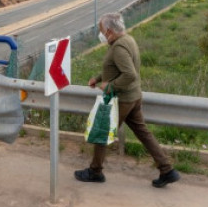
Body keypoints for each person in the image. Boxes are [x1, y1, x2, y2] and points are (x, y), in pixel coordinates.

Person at [74, 12, 181, 188]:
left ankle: (95, 172)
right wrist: (98, 78)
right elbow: (116, 68)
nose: (101, 34)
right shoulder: (127, 40)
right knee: (143, 133)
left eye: (102, 30)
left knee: (102, 132)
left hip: (122, 99)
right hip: (133, 97)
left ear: (109, 31)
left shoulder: (118, 48)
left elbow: (129, 74)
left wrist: (109, 87)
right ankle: (167, 170)